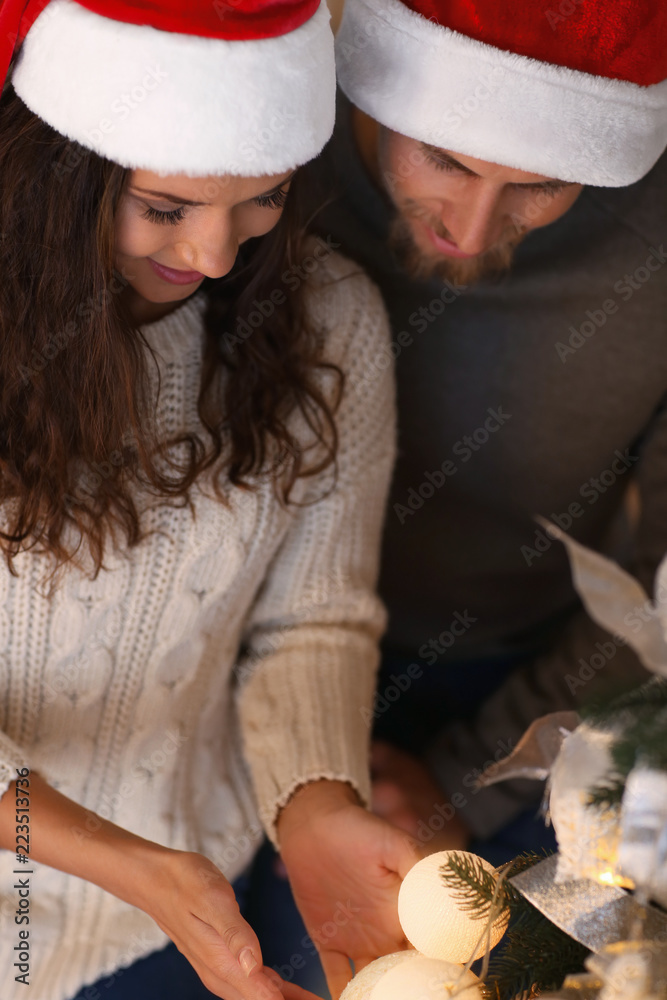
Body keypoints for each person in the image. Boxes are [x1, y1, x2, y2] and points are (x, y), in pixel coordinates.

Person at [0, 2, 417, 999]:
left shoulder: (327, 318)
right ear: (61, 170)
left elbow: (313, 615)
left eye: (263, 198)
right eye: (166, 206)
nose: (218, 258)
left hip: (190, 896)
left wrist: (314, 803)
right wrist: (121, 861)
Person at [319, 0, 667, 861]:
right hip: (220, 662)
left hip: (536, 682)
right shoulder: (243, 176)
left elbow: (662, 590)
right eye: (441, 159)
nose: (467, 230)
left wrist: (473, 780)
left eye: (538, 184)